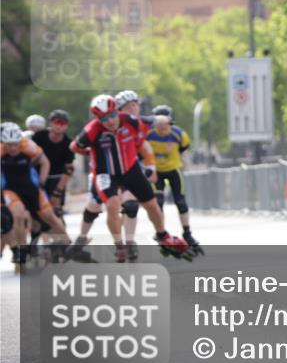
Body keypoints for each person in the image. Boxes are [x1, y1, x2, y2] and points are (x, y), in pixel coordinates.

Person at [69, 95, 190, 261]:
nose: (110, 121)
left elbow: (154, 120)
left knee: (152, 204)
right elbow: (75, 146)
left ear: (116, 111)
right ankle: (119, 245)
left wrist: (166, 119)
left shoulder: (131, 121)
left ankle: (162, 235)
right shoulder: (92, 130)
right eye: (104, 118)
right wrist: (92, 153)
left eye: (112, 115)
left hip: (130, 169)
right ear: (98, 118)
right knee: (111, 205)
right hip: (105, 173)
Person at [1, 122, 71, 269]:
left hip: (32, 188)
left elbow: (45, 161)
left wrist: (41, 181)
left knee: (49, 216)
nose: (13, 148)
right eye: (9, 145)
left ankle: (68, 244)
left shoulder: (27, 145)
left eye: (15, 144)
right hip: (11, 189)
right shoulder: (1, 149)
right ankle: (21, 250)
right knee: (17, 216)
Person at [146, 104, 202, 255]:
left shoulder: (179, 135)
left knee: (181, 201)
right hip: (156, 171)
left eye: (167, 124)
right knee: (158, 203)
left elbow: (183, 149)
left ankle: (187, 232)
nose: (163, 127)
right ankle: (162, 233)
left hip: (173, 170)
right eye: (160, 124)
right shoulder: (148, 135)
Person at [114, 90, 158, 260]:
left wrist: (151, 167)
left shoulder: (142, 124)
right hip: (113, 171)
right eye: (127, 106)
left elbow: (146, 148)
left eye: (135, 105)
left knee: (131, 206)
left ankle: (130, 242)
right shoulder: (114, 125)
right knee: (119, 209)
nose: (132, 109)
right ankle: (119, 242)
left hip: (132, 169)